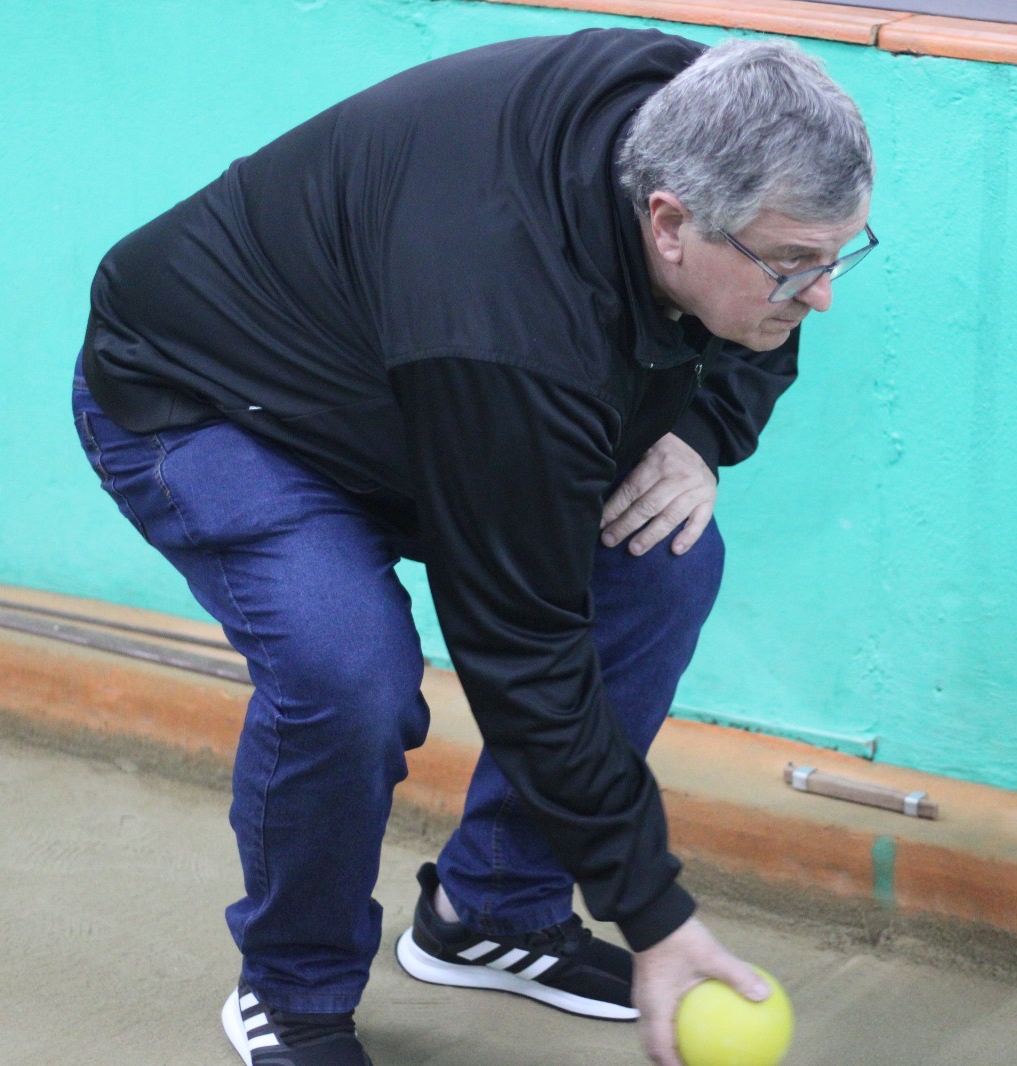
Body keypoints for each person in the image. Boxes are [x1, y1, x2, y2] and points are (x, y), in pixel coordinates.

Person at [72, 27, 875, 1066]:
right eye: (796, 265)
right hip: (212, 402)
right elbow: (524, 655)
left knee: (663, 564)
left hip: (401, 387)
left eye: (838, 252)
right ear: (669, 224)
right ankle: (292, 988)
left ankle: (493, 906)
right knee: (346, 667)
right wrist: (656, 915)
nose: (821, 294)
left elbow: (756, 307)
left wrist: (699, 432)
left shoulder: (705, 114)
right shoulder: (509, 321)